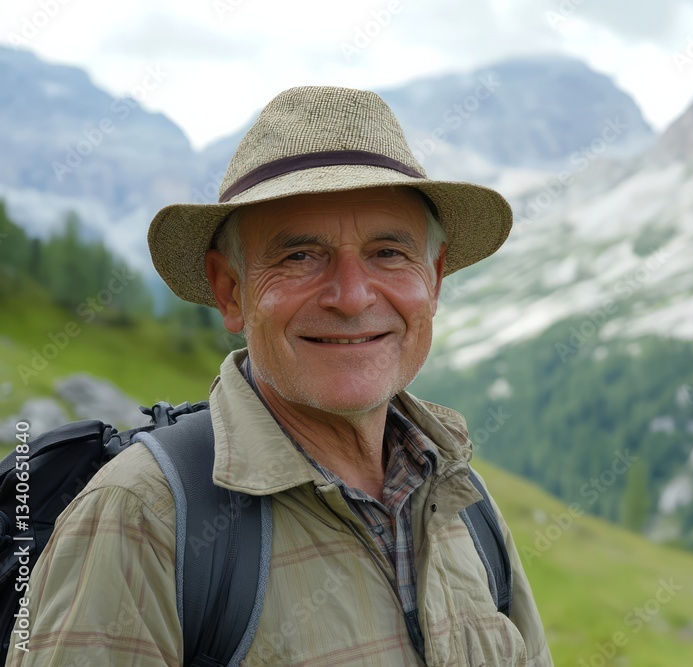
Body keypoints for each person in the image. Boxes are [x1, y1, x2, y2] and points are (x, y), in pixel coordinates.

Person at [7, 86, 552, 666]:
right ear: (230, 291)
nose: (351, 296)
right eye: (299, 256)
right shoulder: (143, 515)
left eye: (389, 253)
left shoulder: (462, 499)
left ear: (434, 279)